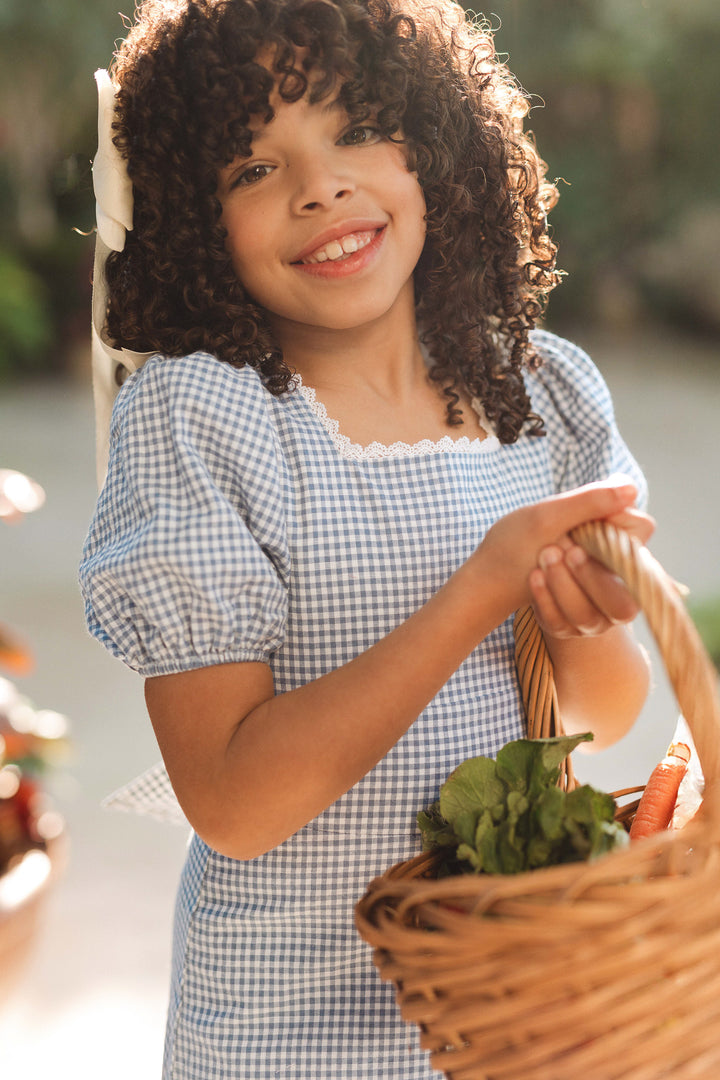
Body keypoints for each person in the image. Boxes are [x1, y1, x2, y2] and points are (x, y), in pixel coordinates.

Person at [80, 0, 654, 1076]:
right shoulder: (205, 420)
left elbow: (604, 715)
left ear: (433, 140)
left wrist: (577, 625)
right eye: (252, 170)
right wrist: (479, 591)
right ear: (195, 225)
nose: (320, 187)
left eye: (355, 130)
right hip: (287, 1031)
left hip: (511, 1014)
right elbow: (237, 806)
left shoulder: (541, 390)